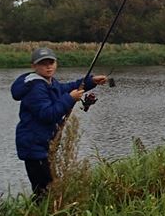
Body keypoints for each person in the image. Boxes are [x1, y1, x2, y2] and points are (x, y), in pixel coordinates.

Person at [11, 46, 107, 199]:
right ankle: (43, 212)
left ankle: (48, 210)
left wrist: (90, 81)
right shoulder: (35, 88)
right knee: (44, 190)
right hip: (33, 145)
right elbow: (48, 114)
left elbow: (66, 88)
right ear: (34, 66)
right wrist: (70, 99)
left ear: (56, 63)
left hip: (43, 143)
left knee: (48, 186)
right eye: (43, 63)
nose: (48, 66)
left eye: (51, 62)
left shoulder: (48, 82)